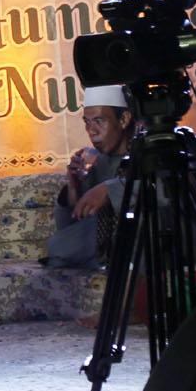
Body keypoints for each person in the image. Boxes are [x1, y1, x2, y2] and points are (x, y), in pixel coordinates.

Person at [46, 84, 133, 269]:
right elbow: (68, 229)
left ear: (124, 119)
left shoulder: (151, 151)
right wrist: (74, 187)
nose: (91, 131)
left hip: (151, 242)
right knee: (58, 250)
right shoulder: (98, 162)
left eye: (99, 121)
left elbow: (166, 190)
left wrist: (109, 190)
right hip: (108, 251)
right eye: (87, 122)